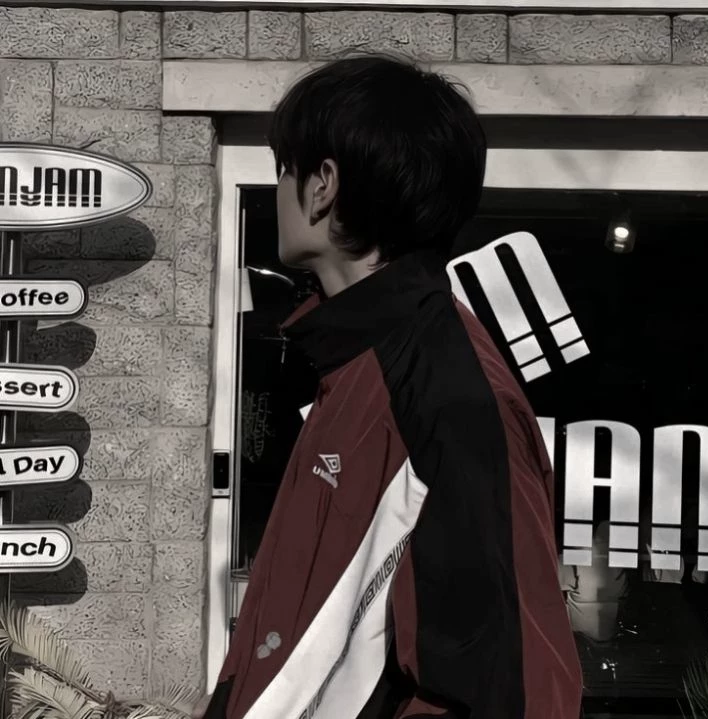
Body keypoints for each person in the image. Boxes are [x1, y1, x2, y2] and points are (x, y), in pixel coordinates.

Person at [196, 53, 584, 719]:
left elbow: (508, 693)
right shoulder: (353, 362)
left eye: (284, 167)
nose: (278, 186)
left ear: (322, 185)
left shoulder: (445, 393)